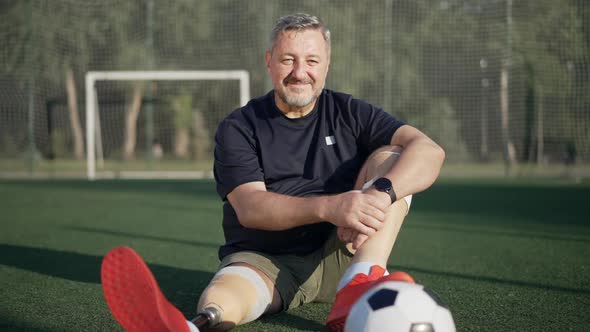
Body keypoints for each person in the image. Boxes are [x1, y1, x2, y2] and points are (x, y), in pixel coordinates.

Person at [100, 13, 445, 332]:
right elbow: (251, 207)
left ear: (326, 65)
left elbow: (429, 151)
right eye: (287, 60)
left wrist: (378, 193)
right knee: (227, 289)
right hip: (266, 257)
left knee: (393, 156)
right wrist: (331, 206)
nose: (300, 72)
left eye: (311, 61)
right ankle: (194, 327)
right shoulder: (239, 126)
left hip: (344, 248)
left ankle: (359, 283)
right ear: (269, 62)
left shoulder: (350, 112)